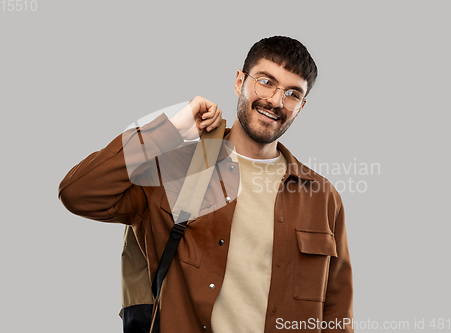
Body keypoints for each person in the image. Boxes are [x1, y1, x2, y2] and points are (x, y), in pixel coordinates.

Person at [59, 36, 354, 333]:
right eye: (266, 82)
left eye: (292, 93)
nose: (276, 101)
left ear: (301, 107)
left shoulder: (322, 196)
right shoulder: (176, 168)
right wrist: (169, 131)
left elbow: (337, 310)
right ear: (240, 81)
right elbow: (78, 193)